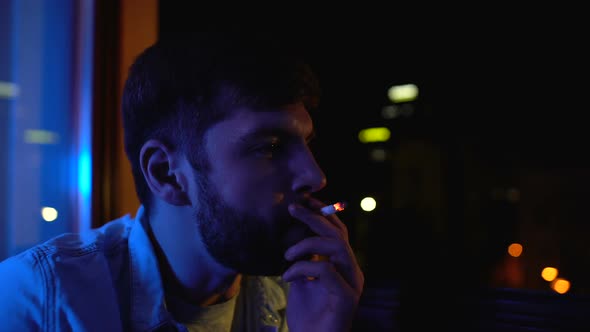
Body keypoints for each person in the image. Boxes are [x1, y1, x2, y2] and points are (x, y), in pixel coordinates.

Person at [0, 31, 364, 331]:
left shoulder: (310, 297)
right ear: (166, 173)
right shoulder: (38, 301)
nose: (315, 176)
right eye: (269, 147)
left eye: (307, 143)